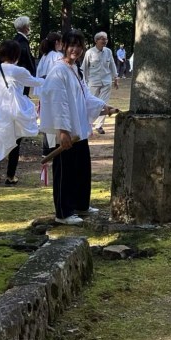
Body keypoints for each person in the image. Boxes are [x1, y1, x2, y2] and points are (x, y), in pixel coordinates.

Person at [39, 29, 117, 225]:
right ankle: (63, 212)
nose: (75, 49)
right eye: (71, 45)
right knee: (65, 171)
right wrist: (62, 131)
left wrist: (103, 107)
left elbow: (85, 96)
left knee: (81, 169)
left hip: (78, 130)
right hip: (66, 131)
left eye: (79, 46)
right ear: (64, 46)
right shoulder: (58, 71)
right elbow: (58, 102)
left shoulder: (74, 69)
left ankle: (81, 204)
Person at [0, 39, 43, 186]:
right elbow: (34, 82)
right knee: (16, 143)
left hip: (1, 111)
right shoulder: (19, 71)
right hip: (16, 112)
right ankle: (10, 176)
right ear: (17, 54)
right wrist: (48, 78)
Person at [81, 31, 119, 134]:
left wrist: (116, 77)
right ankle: (88, 124)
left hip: (106, 81)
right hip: (93, 82)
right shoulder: (89, 52)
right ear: (96, 40)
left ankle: (99, 126)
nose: (105, 41)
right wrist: (83, 82)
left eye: (106, 39)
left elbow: (112, 64)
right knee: (91, 104)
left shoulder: (108, 51)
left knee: (104, 103)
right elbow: (84, 68)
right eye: (102, 39)